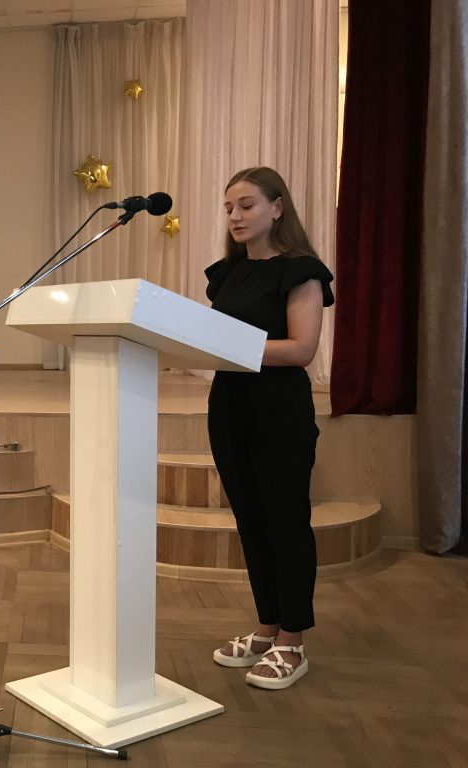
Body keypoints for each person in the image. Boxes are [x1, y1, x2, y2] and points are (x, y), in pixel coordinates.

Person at [205, 166, 335, 690]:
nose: (235, 216)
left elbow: (301, 349)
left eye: (247, 205)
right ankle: (267, 627)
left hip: (278, 409)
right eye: (229, 208)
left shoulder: (300, 270)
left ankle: (293, 640)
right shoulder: (228, 273)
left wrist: (228, 346)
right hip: (229, 405)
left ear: (277, 208)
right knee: (251, 520)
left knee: (285, 521)